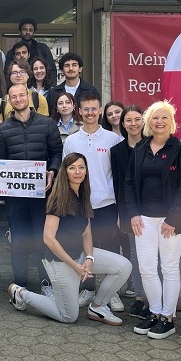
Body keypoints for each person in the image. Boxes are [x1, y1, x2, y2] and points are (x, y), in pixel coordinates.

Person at [7, 153, 132, 326]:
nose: (77, 172)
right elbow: (48, 239)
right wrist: (75, 267)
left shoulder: (83, 194)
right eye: (72, 168)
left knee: (124, 266)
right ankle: (20, 293)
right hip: (60, 261)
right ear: (65, 172)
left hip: (79, 255)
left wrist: (89, 258)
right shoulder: (58, 198)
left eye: (81, 167)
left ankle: (98, 306)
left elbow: (86, 232)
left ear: (86, 171)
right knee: (68, 316)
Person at [125, 101, 181, 339]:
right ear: (148, 122)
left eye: (164, 117)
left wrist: (173, 218)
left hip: (172, 221)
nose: (159, 122)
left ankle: (168, 318)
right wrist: (133, 213)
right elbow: (129, 184)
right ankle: (154, 313)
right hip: (143, 218)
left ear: (172, 121)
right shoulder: (140, 149)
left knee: (168, 267)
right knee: (146, 268)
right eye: (155, 118)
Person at [0, 84, 63, 292]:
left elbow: (57, 152)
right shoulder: (3, 129)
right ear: (9, 101)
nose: (18, 99)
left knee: (44, 239)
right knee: (19, 241)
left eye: (21, 95)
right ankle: (20, 285)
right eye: (13, 97)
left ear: (29, 98)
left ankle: (46, 283)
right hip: (15, 196)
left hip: (42, 193)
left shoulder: (47, 124)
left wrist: (52, 170)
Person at [62, 92, 123, 311]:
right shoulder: (71, 141)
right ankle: (87, 289)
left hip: (106, 204)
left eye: (94, 109)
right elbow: (65, 174)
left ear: (100, 110)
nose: (89, 113)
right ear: (79, 110)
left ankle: (111, 292)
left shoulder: (113, 139)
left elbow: (119, 176)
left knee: (109, 248)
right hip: (80, 205)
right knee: (84, 250)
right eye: (85, 109)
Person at [109, 105, 147, 317]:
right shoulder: (117, 151)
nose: (133, 124)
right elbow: (117, 184)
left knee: (156, 256)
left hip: (154, 208)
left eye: (137, 119)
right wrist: (119, 213)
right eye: (129, 120)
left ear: (143, 121)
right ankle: (140, 297)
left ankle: (155, 297)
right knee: (135, 253)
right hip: (129, 209)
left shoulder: (153, 145)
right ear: (122, 124)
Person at [0, 59, 49, 135]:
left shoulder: (39, 99)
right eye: (14, 72)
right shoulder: (2, 102)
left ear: (28, 75)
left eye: (22, 72)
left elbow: (44, 128)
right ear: (10, 76)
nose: (18, 75)